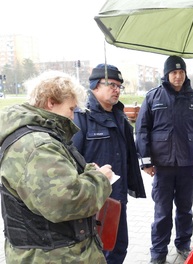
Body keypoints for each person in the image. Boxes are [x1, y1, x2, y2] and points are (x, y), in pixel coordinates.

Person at [0, 70, 113, 263]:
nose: (72, 117)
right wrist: (100, 179)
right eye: (70, 109)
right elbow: (67, 201)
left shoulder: (37, 137)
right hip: (55, 256)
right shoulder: (38, 146)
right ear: (51, 102)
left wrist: (85, 172)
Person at [135, 55, 193, 264]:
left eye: (181, 72)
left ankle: (183, 245)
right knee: (162, 212)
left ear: (185, 74)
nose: (178, 76)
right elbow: (142, 130)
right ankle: (159, 253)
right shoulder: (153, 97)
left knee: (185, 210)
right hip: (162, 167)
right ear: (166, 74)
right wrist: (146, 162)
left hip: (187, 165)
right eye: (173, 72)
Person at [72, 63, 146, 264]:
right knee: (98, 251)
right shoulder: (81, 117)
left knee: (118, 246)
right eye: (111, 84)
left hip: (118, 196)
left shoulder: (120, 117)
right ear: (95, 86)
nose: (117, 89)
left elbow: (129, 155)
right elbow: (71, 160)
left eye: (119, 86)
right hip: (94, 200)